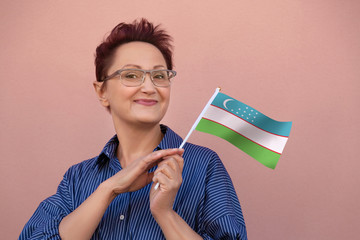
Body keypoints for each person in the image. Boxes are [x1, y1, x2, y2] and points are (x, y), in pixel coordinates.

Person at [19, 18, 247, 240]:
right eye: (131, 75)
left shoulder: (204, 165)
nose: (149, 87)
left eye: (159, 76)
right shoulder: (78, 177)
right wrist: (108, 190)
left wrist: (165, 214)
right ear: (102, 92)